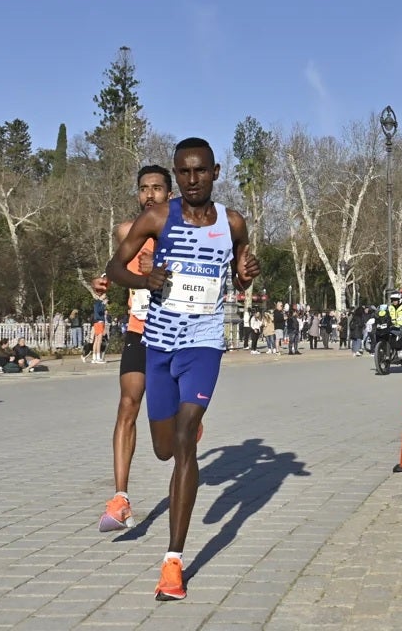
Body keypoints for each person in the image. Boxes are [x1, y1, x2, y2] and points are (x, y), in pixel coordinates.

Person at [105, 138, 260, 602]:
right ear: (178, 175)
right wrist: (142, 278)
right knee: (163, 449)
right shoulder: (157, 218)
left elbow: (239, 270)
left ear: (215, 171)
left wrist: (246, 273)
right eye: (184, 173)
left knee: (187, 440)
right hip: (159, 344)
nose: (192, 180)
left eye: (200, 172)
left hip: (204, 343)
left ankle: (173, 563)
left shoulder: (232, 222)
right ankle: (183, 425)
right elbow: (116, 266)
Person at [91, 164, 173, 533]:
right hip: (139, 330)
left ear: (169, 194)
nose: (149, 194)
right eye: (143, 188)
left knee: (166, 440)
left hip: (175, 334)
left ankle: (187, 425)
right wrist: (105, 282)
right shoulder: (126, 231)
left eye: (157, 188)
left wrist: (159, 267)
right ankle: (120, 498)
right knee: (127, 404)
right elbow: (116, 269)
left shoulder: (182, 232)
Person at [89, 295, 108, 363]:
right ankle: (98, 358)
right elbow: (99, 311)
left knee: (96, 341)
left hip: (97, 323)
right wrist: (103, 304)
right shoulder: (99, 303)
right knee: (99, 341)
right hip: (99, 323)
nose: (105, 297)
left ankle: (94, 358)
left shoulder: (97, 303)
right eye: (104, 296)